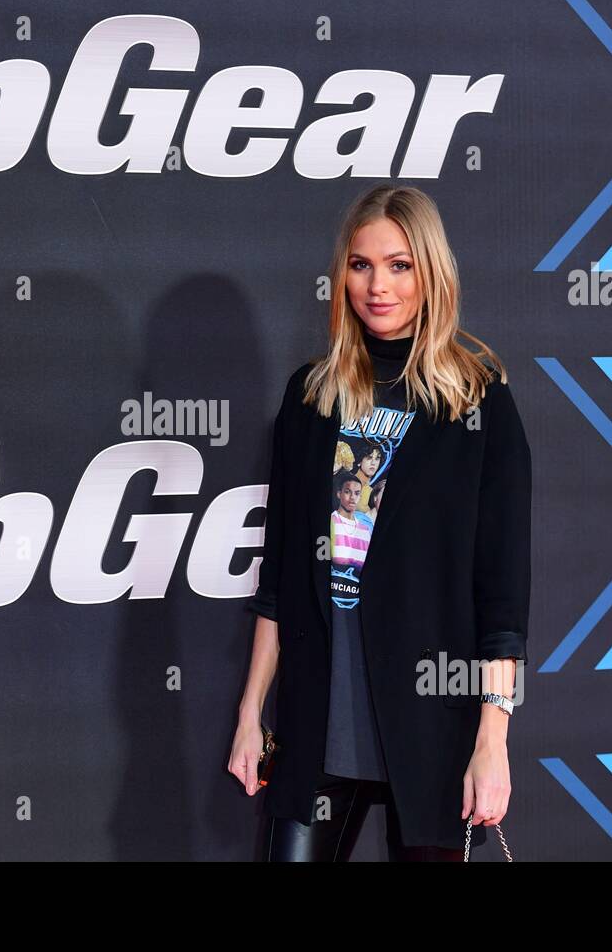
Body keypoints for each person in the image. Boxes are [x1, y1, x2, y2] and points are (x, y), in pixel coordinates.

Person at [227, 184, 531, 861]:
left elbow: (503, 598)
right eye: (361, 265)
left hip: (431, 727)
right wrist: (252, 713)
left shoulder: (478, 402)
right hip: (318, 720)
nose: (378, 285)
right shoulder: (311, 397)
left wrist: (492, 741)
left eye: (399, 265)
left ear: (430, 273)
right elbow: (278, 577)